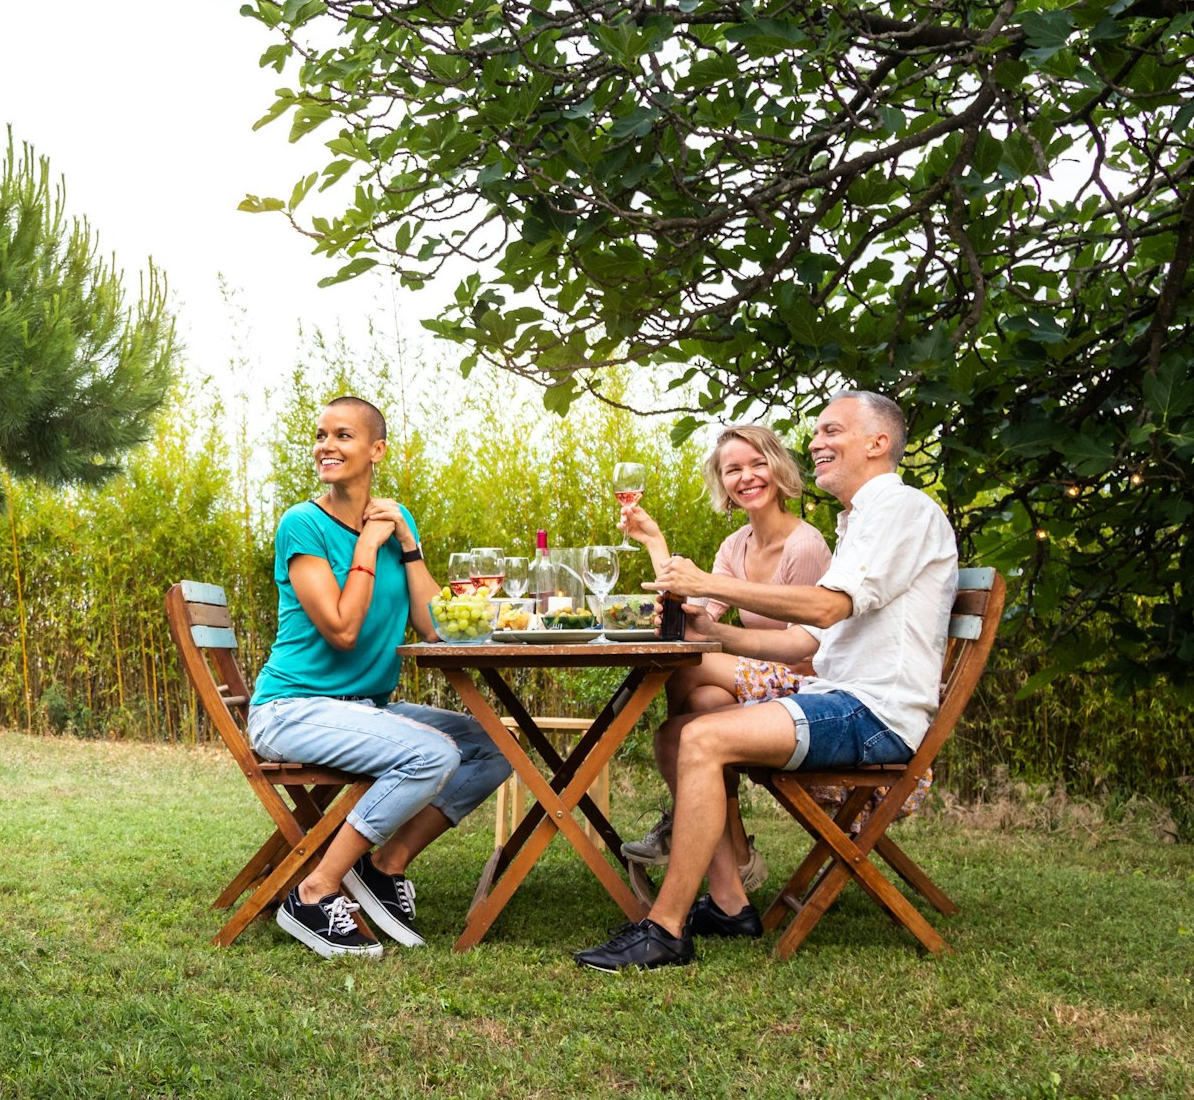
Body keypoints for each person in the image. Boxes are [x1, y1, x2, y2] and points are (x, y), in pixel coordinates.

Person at [574, 391, 957, 971]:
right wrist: (713, 629)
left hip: (873, 713)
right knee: (677, 731)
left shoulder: (900, 511)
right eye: (818, 433)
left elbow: (824, 609)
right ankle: (730, 905)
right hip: (834, 691)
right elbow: (809, 642)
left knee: (703, 735)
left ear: (879, 443)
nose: (817, 443)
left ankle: (665, 930)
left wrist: (713, 586)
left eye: (832, 431)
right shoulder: (863, 519)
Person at [247, 396, 512, 958]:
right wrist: (368, 545)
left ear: (376, 450)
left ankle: (383, 866)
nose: (326, 446)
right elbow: (342, 629)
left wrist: (408, 546)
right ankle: (314, 892)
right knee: (432, 755)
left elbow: (434, 629)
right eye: (321, 436)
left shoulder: (396, 520)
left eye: (343, 436)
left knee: (494, 747)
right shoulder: (303, 525)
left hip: (361, 707)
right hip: (292, 710)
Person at [615, 424, 832, 884]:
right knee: (701, 706)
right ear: (724, 483)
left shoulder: (805, 544)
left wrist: (702, 631)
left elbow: (805, 644)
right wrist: (655, 542)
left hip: (806, 692)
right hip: (758, 686)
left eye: (757, 464)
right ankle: (734, 858)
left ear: (778, 469)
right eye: (734, 469)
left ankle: (686, 822)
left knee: (687, 670)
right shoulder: (736, 545)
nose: (747, 476)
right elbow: (693, 618)